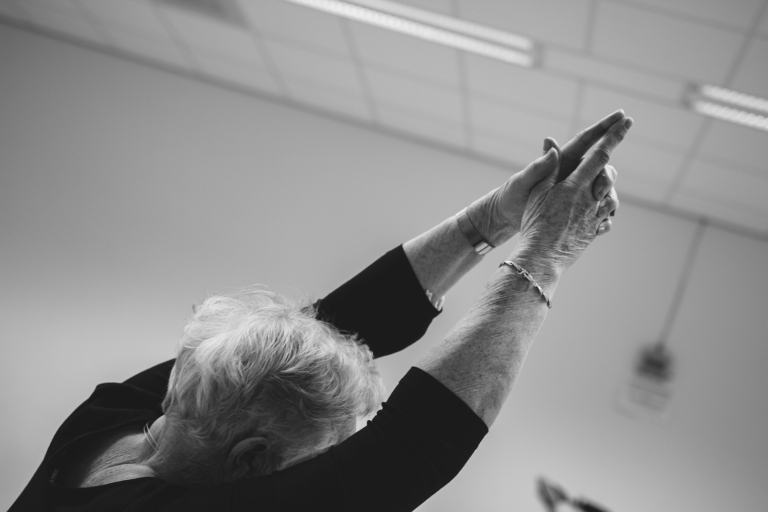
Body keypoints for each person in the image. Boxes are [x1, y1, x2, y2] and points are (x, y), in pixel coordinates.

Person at [10, 110, 632, 511]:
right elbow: (413, 446)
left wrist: (493, 219)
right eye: (320, 457)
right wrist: (548, 253)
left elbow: (318, 331)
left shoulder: (106, 421)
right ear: (253, 461)